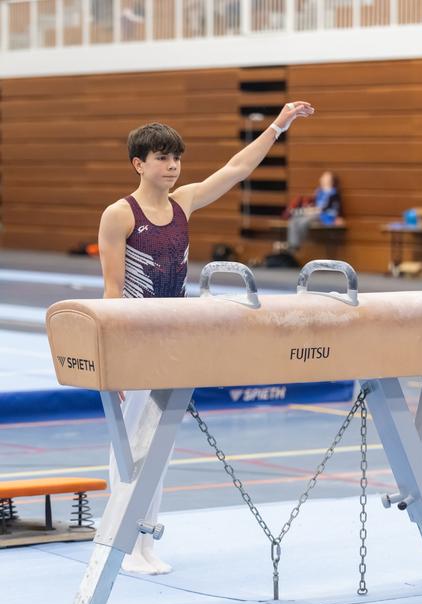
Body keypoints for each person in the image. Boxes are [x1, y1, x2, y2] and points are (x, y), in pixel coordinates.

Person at [98, 100, 315, 575]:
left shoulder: (184, 202)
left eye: (176, 158)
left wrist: (278, 125)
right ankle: (119, 537)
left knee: (161, 439)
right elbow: (112, 290)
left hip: (178, 332)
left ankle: (145, 536)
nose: (172, 166)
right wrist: (111, 354)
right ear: (139, 163)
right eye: (161, 158)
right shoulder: (120, 214)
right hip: (137, 335)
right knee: (132, 441)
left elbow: (237, 169)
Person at [286, 170, 341, 253]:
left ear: (330, 180)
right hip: (315, 213)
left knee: (304, 221)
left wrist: (337, 217)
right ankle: (292, 244)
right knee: (294, 219)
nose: (322, 179)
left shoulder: (334, 193)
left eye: (325, 177)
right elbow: (314, 203)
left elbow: (332, 208)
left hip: (325, 216)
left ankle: (298, 244)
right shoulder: (319, 191)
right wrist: (310, 209)